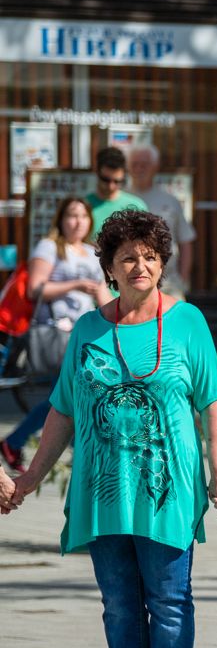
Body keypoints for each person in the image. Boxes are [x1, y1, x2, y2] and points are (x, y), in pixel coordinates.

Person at [8, 210, 217, 648]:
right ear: (108, 266)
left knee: (169, 603)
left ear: (163, 263)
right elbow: (63, 410)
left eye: (150, 257)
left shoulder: (188, 322)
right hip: (102, 490)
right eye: (128, 257)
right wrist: (30, 478)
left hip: (168, 489)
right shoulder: (89, 329)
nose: (140, 266)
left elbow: (213, 402)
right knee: (119, 606)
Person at [1, 197, 109, 473]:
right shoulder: (49, 247)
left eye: (83, 216)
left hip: (86, 334)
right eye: (71, 215)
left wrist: (123, 321)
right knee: (68, 396)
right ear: (61, 219)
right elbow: (35, 289)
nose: (77, 222)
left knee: (66, 396)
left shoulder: (91, 252)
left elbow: (102, 295)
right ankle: (77, 451)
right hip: (57, 332)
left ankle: (17, 442)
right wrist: (75, 284)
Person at [127, 144, 196, 293]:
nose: (139, 169)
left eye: (144, 165)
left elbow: (185, 241)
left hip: (168, 282)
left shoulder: (170, 201)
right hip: (130, 284)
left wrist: (183, 279)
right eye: (134, 164)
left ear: (155, 167)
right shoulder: (121, 200)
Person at [85, 146, 148, 238]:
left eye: (117, 181)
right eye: (105, 180)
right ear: (96, 172)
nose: (111, 186)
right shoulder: (83, 206)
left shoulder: (137, 207)